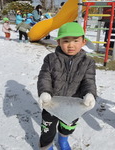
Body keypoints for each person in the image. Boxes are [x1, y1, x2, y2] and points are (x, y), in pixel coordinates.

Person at [37, 22, 97, 150]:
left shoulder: (88, 62)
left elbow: (89, 80)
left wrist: (90, 94)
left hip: (74, 104)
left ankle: (63, 140)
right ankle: (47, 146)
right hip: (52, 103)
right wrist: (45, 92)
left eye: (76, 40)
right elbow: (44, 76)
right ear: (58, 42)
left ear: (83, 42)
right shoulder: (51, 59)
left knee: (68, 126)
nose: (71, 45)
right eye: (66, 40)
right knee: (47, 129)